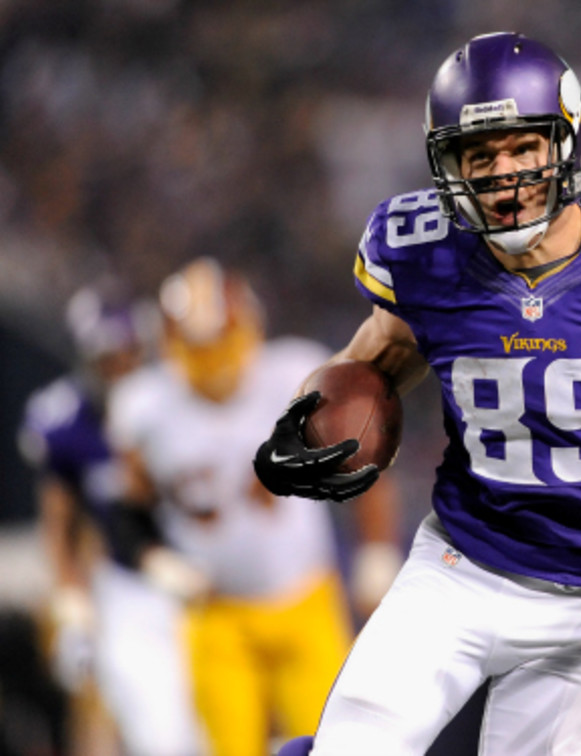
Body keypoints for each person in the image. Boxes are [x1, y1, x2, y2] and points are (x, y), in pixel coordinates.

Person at [253, 31, 581, 756]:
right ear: (450, 167)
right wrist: (305, 424)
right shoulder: (423, 253)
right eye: (480, 156)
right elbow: (370, 366)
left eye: (522, 149)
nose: (504, 176)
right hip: (462, 564)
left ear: (567, 143)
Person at [105, 257, 403, 756]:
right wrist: (155, 560)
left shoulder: (294, 377)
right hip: (216, 617)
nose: (214, 358)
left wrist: (376, 549)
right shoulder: (145, 408)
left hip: (305, 603)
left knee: (337, 743)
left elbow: (362, 460)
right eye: (199, 346)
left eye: (222, 338)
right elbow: (126, 509)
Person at [17, 281, 204, 756]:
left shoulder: (181, 397)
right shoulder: (67, 420)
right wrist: (72, 605)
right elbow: (62, 524)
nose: (119, 366)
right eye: (106, 357)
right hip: (132, 588)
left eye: (126, 353)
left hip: (210, 577)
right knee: (164, 739)